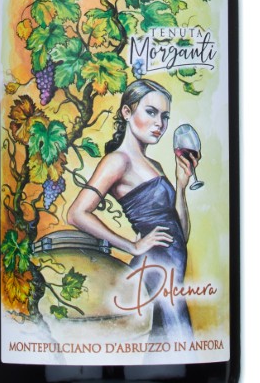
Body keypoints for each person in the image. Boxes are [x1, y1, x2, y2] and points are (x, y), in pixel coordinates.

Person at [66, 77, 200, 339]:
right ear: (127, 112)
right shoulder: (118, 161)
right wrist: (132, 246)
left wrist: (181, 186)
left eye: (164, 116)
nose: (159, 124)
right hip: (156, 268)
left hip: (172, 271)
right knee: (179, 340)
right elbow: (76, 214)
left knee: (165, 345)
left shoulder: (156, 166)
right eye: (151, 112)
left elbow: (181, 235)